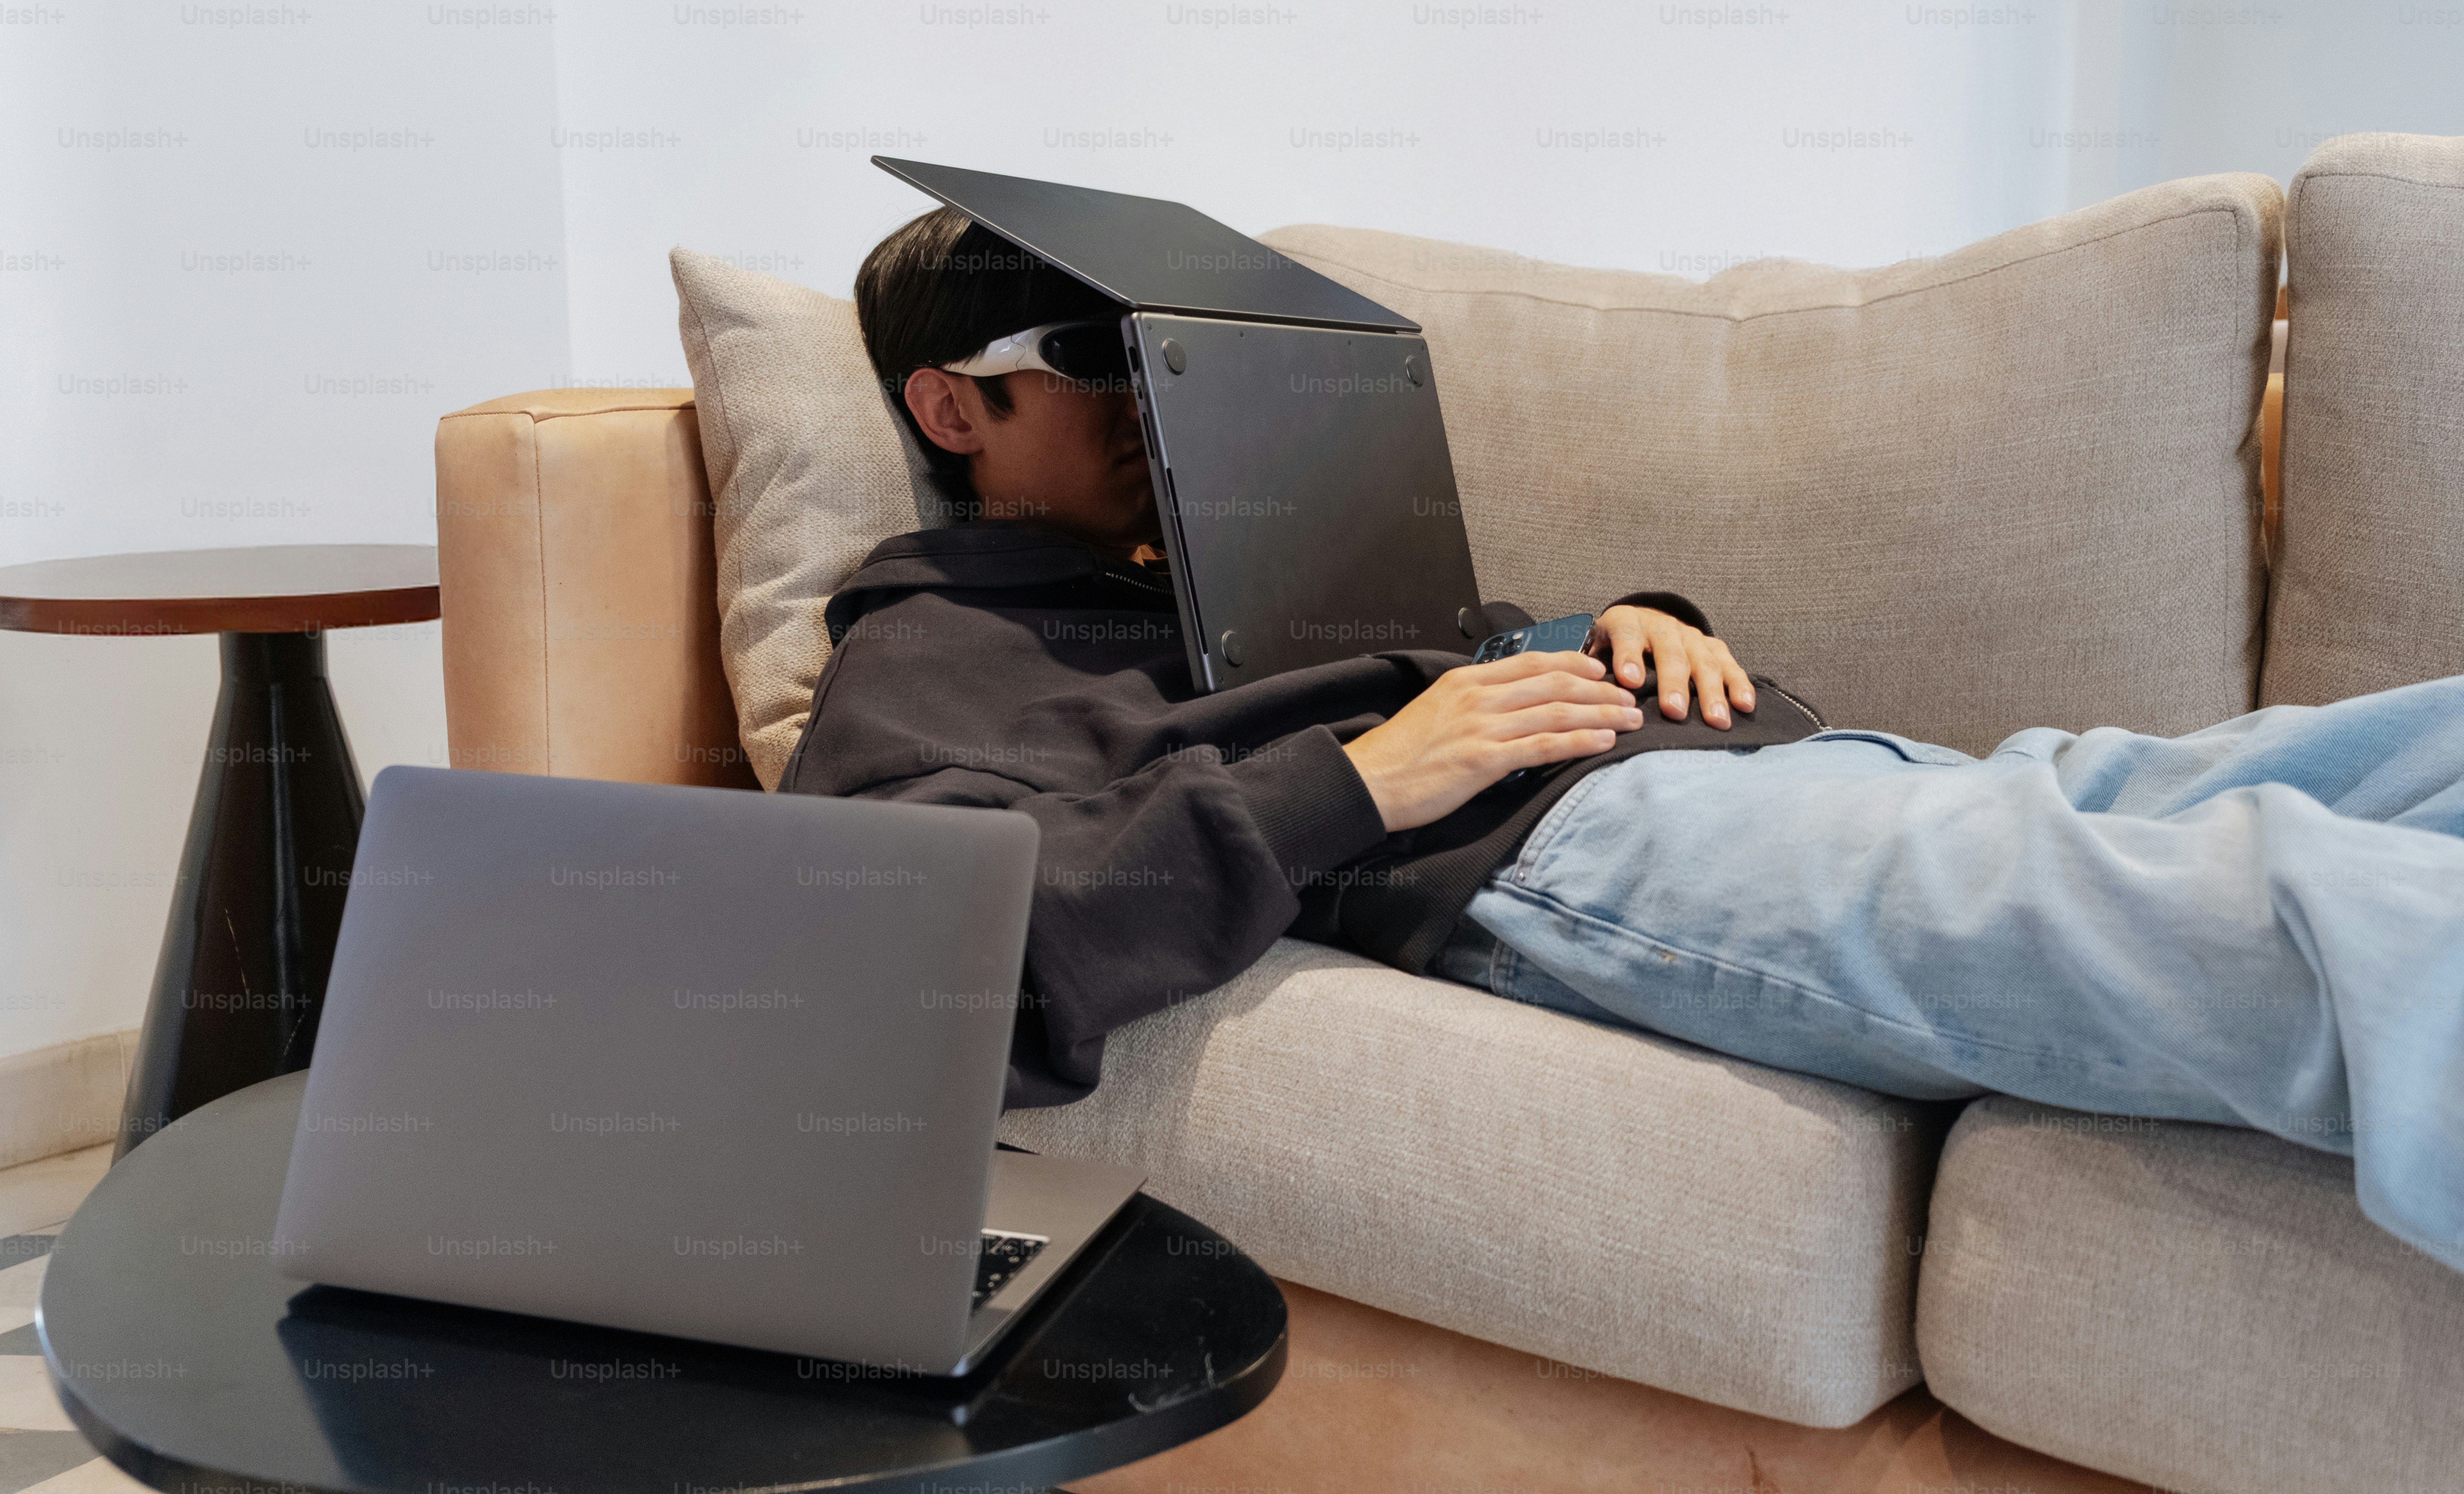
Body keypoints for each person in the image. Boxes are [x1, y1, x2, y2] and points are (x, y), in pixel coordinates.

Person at [781, 208, 2464, 1273]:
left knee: (2400, 749)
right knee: (2307, 908)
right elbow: (921, 966)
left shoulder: (1248, 547)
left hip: (1815, 758)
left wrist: (1624, 624)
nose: (1156, 397)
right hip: (1582, 849)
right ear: (953, 408)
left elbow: (1433, 654)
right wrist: (1363, 779)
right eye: (1097, 357)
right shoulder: (938, 644)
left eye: (1176, 353)